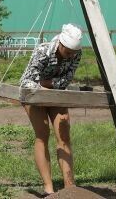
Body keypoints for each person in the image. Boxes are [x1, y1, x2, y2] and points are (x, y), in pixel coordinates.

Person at [18, 24, 83, 196]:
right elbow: (28, 81)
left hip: (55, 94)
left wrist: (49, 84)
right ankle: (49, 188)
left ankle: (70, 187)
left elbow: (66, 80)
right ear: (60, 43)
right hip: (33, 95)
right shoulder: (43, 50)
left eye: (73, 52)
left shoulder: (77, 54)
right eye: (67, 51)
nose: (70, 55)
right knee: (42, 134)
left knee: (64, 135)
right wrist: (46, 87)